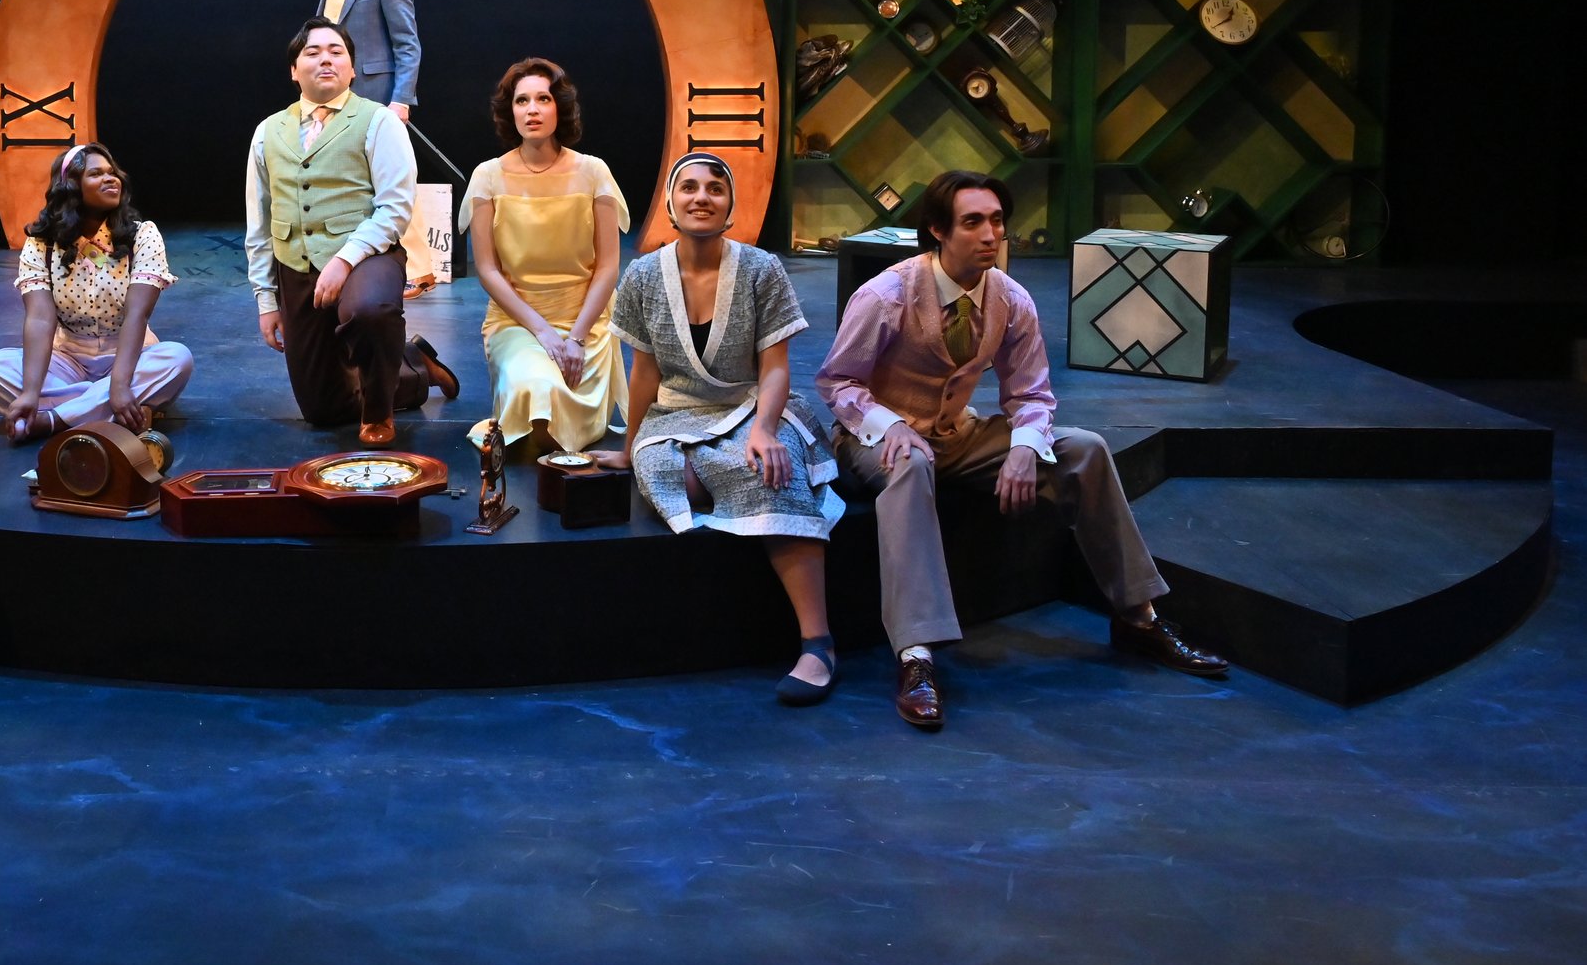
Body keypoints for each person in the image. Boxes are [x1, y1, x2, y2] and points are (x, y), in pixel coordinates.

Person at [817, 168, 1227, 731]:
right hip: (875, 439)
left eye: (997, 221)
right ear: (938, 230)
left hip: (956, 434)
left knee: (1085, 448)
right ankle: (916, 656)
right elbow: (838, 383)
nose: (990, 234)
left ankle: (1138, 617)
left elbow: (1031, 393)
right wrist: (889, 425)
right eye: (972, 222)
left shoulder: (1009, 299)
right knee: (911, 463)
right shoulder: (886, 295)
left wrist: (1024, 447)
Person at [610, 153, 841, 706]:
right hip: (675, 414)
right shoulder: (642, 275)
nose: (701, 197)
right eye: (688, 187)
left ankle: (818, 642)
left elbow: (776, 367)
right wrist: (628, 447)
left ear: (731, 206)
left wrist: (765, 428)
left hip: (753, 405)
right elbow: (644, 372)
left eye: (715, 189)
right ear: (670, 204)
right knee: (666, 475)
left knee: (767, 472)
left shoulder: (762, 269)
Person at [245, 16, 457, 448]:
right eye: (313, 52)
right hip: (296, 264)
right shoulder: (268, 132)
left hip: (367, 255)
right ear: (294, 70)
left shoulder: (379, 122)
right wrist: (266, 300)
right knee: (323, 410)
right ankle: (414, 365)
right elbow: (259, 221)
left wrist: (344, 260)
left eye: (336, 51)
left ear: (353, 68)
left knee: (369, 310)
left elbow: (396, 207)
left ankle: (378, 413)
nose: (325, 59)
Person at [461, 58, 628, 454]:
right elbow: (487, 270)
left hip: (585, 323)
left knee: (558, 428)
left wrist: (576, 338)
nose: (532, 109)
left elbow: (608, 267)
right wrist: (542, 331)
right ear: (510, 111)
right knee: (538, 402)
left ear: (560, 108)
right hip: (517, 321)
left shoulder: (593, 172)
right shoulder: (488, 176)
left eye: (543, 99)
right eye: (522, 101)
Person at [0, 143, 194, 440]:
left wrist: (120, 383)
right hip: (67, 358)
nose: (111, 179)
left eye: (112, 173)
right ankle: (107, 410)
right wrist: (29, 392)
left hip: (129, 355)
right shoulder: (42, 243)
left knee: (176, 360)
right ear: (70, 186)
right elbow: (40, 319)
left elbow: (137, 314)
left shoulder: (142, 235)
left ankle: (53, 420)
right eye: (96, 174)